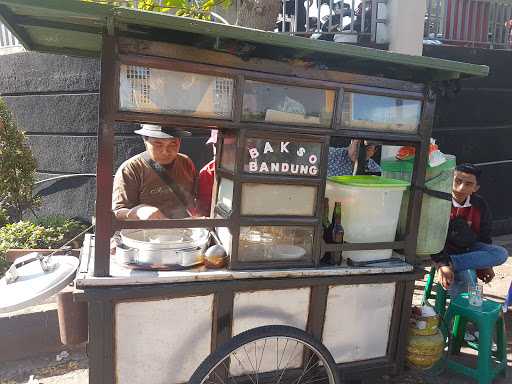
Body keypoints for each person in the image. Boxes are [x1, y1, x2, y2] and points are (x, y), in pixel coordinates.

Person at [434, 163, 508, 297]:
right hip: (443, 249)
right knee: (465, 275)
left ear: (476, 188)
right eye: (457, 181)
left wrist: (486, 264)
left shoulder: (479, 204)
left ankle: (452, 263)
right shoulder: (439, 201)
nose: (461, 187)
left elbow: (484, 236)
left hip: (469, 248)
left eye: (468, 184)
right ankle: (462, 314)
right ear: (450, 180)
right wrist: (442, 262)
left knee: (501, 253)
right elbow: (432, 237)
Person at [112, 124, 197, 220]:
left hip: (183, 231)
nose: (165, 151)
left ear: (180, 142)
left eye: (173, 144)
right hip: (144, 233)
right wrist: (138, 212)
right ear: (145, 141)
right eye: (158, 144)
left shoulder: (186, 163)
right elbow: (117, 213)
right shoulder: (130, 169)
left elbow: (196, 200)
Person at [197, 130, 217, 217]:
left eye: (230, 146)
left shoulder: (257, 168)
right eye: (216, 145)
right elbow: (204, 212)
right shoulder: (207, 173)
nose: (220, 150)